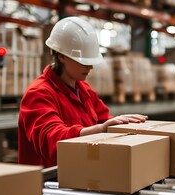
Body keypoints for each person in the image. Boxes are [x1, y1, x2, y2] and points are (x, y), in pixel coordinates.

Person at [18, 16, 147, 168]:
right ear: (61, 56)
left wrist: (123, 124)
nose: (90, 68)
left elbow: (103, 119)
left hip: (79, 174)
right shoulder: (39, 94)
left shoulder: (84, 90)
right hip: (48, 184)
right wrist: (100, 129)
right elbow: (52, 142)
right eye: (84, 61)